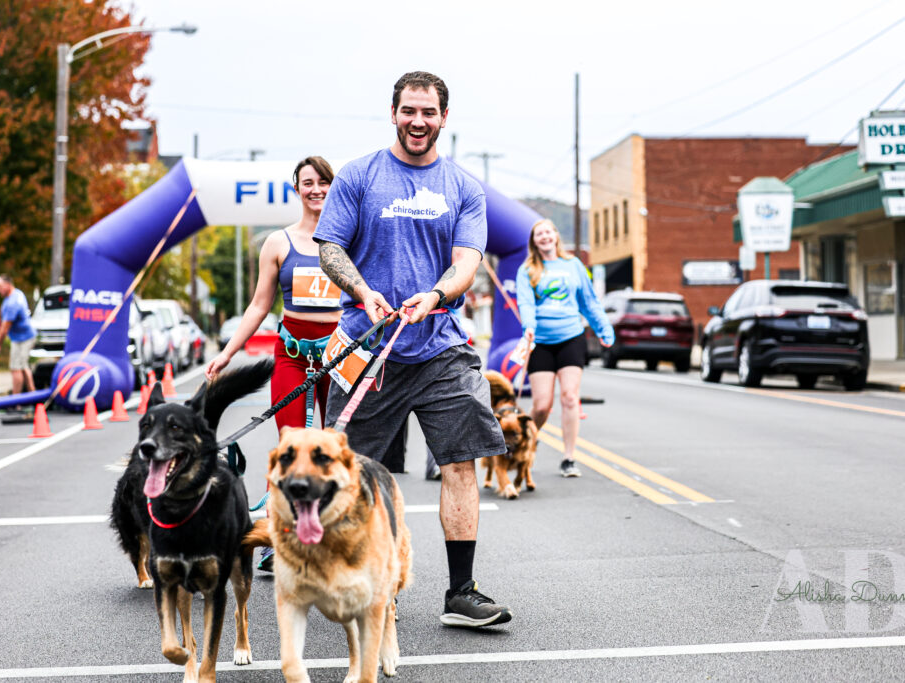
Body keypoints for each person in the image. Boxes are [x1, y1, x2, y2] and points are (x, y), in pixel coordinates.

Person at [314, 71, 512, 629]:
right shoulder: (359, 176)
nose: (418, 121)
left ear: (444, 117)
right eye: (409, 111)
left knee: (461, 462)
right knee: (354, 472)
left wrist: (436, 293)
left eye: (428, 112)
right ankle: (372, 585)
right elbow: (329, 248)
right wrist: (362, 291)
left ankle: (461, 592)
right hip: (369, 347)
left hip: (441, 345)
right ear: (394, 112)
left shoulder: (463, 187)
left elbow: (468, 261)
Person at [205, 156, 342, 572]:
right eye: (307, 183)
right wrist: (228, 352)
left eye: (323, 182)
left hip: (340, 356)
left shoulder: (350, 239)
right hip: (294, 357)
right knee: (291, 448)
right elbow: (259, 305)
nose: (316, 189)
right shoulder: (278, 243)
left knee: (337, 447)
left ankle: (332, 533)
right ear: (296, 189)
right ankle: (276, 538)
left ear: (332, 187)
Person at [515, 219, 614, 477]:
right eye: (539, 234)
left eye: (548, 232)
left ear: (556, 236)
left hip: (571, 337)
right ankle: (529, 439)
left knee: (570, 397)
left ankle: (569, 458)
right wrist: (529, 325)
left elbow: (589, 301)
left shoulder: (573, 265)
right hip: (541, 343)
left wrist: (604, 328)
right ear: (534, 241)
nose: (545, 237)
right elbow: (525, 303)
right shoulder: (527, 269)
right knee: (541, 405)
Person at [0, 275, 37, 398]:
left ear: (8, 285)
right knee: (23, 366)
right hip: (22, 336)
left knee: (16, 368)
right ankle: (33, 397)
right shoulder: (17, 293)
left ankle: (16, 401)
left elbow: (5, 328)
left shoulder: (12, 303)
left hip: (23, 338)